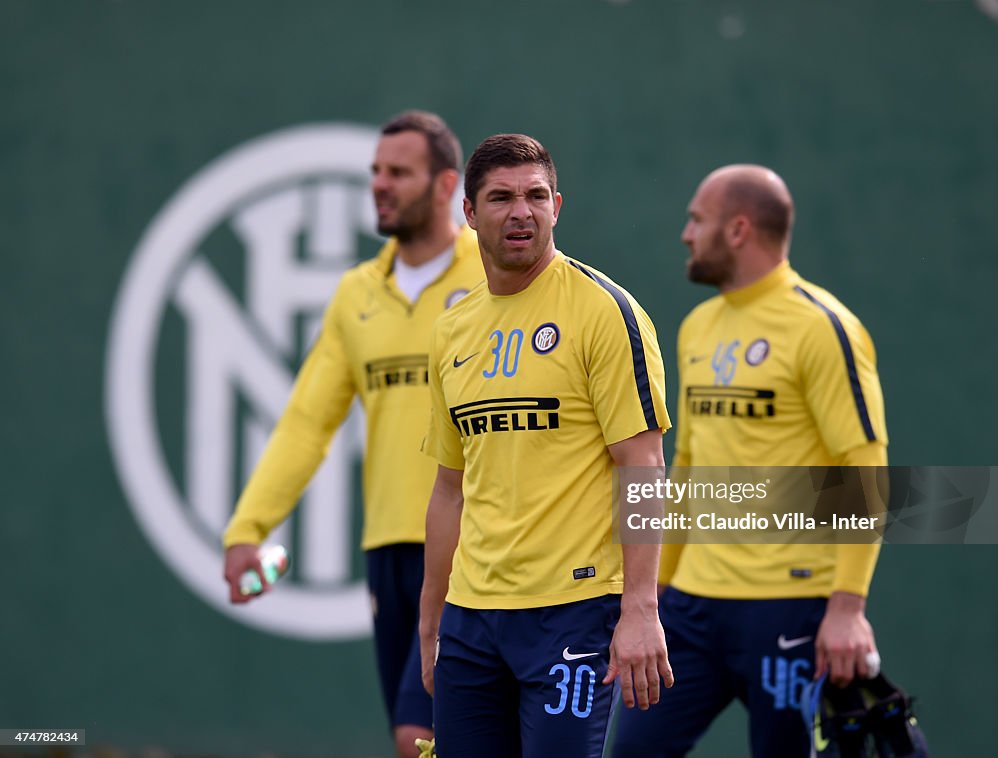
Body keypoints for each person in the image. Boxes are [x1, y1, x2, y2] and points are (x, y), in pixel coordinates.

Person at [222, 110, 483, 758]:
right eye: (375, 172)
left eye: (399, 172)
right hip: (388, 551)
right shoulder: (355, 293)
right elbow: (308, 421)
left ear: (446, 184)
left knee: (417, 734)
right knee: (436, 738)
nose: (380, 185)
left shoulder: (495, 272)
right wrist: (249, 527)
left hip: (471, 541)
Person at [613, 165, 888, 758]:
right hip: (691, 609)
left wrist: (847, 607)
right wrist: (654, 592)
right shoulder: (696, 327)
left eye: (696, 220)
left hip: (789, 609)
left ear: (738, 230)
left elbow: (862, 465)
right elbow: (685, 466)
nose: (686, 234)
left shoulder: (822, 327)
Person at [418, 133, 675, 758]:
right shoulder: (452, 330)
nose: (521, 212)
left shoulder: (603, 310)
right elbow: (450, 488)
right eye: (501, 198)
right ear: (470, 214)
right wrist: (431, 623)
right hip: (472, 620)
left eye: (535, 196)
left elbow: (641, 465)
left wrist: (641, 605)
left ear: (557, 205)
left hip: (575, 611)